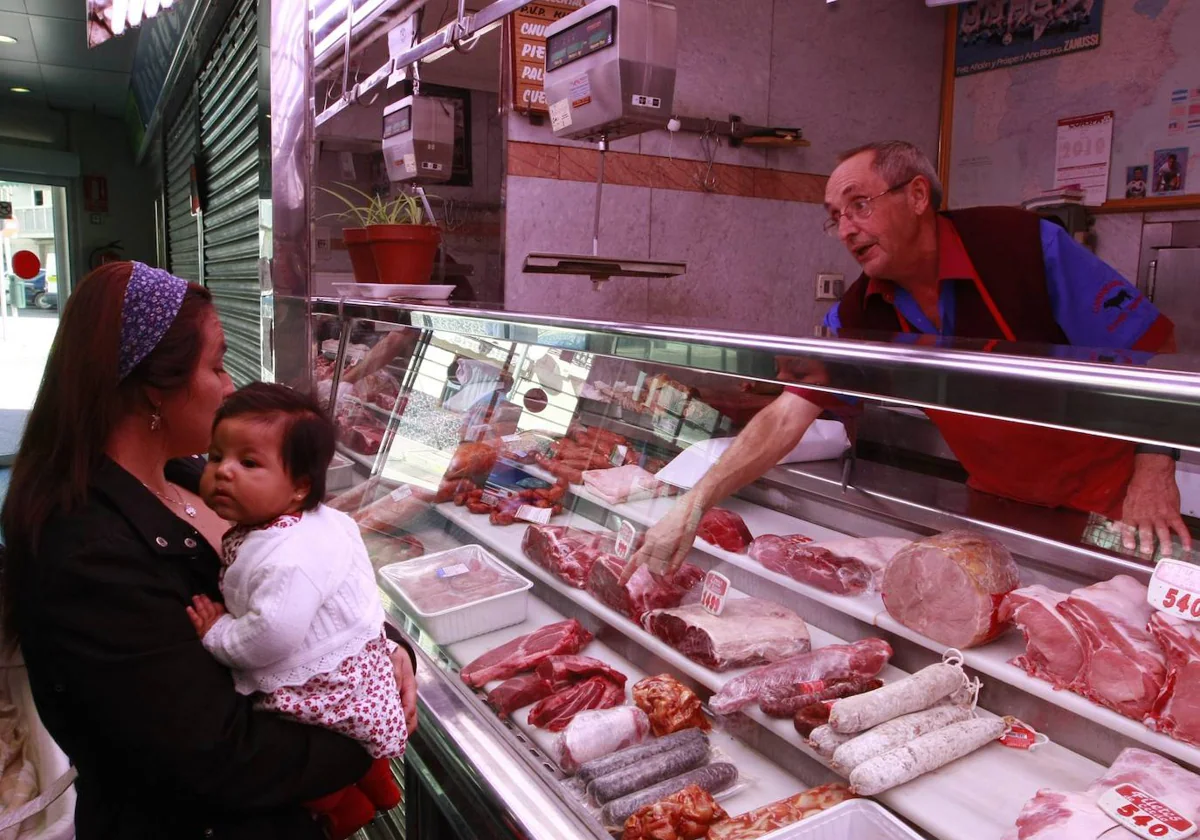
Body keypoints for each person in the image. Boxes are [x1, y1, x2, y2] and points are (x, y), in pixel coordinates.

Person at [624, 141, 1188, 584]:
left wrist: (1155, 468)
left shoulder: (1023, 247)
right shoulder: (861, 309)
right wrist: (695, 503)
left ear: (917, 196)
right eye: (835, 216)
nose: (846, 229)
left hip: (1111, 507)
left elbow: (1156, 355)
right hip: (996, 501)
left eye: (859, 205)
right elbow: (786, 415)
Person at [0, 261, 418, 839]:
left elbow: (308, 564)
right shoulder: (87, 555)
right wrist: (370, 728)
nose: (229, 387)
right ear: (154, 389)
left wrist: (384, 650)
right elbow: (219, 757)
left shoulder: (191, 473)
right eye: (216, 364)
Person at [187, 382, 407, 840]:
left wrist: (219, 634)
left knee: (314, 789)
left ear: (299, 488)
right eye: (215, 457)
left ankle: (342, 810)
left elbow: (273, 635)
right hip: (358, 674)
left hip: (324, 690)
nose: (224, 472)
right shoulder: (294, 523)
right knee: (359, 754)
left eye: (248, 463)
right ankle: (380, 790)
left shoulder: (287, 557)